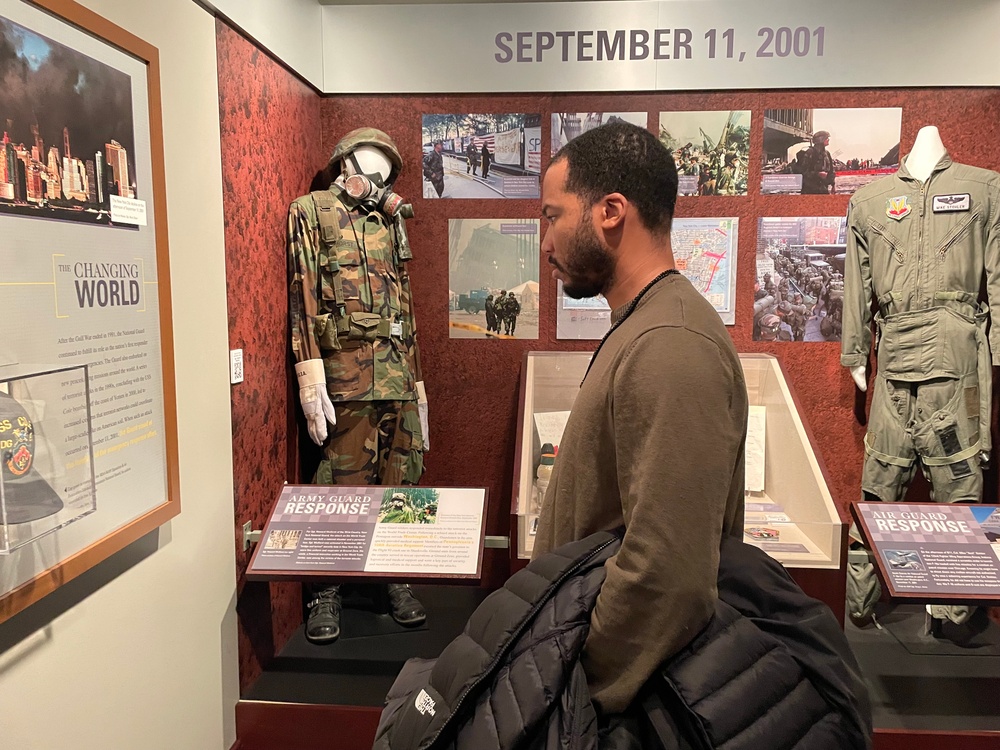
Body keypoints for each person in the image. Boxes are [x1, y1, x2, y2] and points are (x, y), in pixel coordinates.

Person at [535, 121, 748, 715]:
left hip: (618, 707)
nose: (545, 243)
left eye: (553, 216)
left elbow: (667, 577)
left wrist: (574, 686)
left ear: (609, 211)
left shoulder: (670, 342)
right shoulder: (647, 325)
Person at [792, 130, 836, 194]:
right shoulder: (810, 152)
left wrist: (833, 185)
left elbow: (831, 170)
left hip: (823, 188)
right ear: (820, 140)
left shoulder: (827, 154)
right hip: (810, 189)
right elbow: (803, 171)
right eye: (826, 138)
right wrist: (817, 174)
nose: (828, 140)